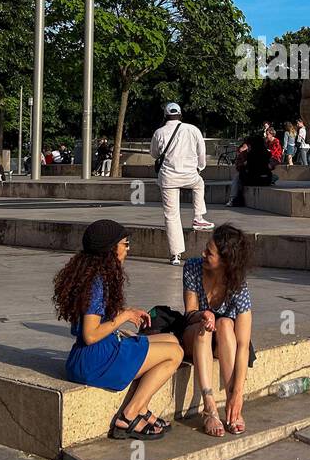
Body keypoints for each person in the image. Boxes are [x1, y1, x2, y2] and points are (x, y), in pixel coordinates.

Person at [54, 219, 183, 439]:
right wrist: (123, 316)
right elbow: (90, 334)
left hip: (95, 353)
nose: (128, 248)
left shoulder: (94, 277)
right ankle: (130, 415)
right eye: (125, 243)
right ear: (110, 249)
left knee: (171, 340)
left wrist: (127, 311)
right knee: (175, 353)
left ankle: (141, 407)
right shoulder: (96, 284)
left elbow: (94, 318)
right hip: (96, 361)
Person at [181, 225, 255, 437]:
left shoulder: (238, 285)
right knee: (206, 326)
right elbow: (189, 313)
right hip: (194, 333)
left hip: (224, 341)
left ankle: (232, 403)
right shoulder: (193, 267)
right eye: (206, 249)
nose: (203, 254)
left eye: (209, 252)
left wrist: (238, 394)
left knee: (225, 323)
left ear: (225, 260)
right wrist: (203, 315)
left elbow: (243, 345)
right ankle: (210, 406)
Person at [151, 102, 214, 265]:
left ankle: (175, 255)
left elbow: (154, 153)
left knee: (171, 215)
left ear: (165, 115)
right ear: (180, 114)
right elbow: (202, 151)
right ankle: (198, 216)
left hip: (168, 177)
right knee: (199, 184)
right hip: (189, 174)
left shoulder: (159, 132)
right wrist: (199, 167)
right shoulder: (193, 129)